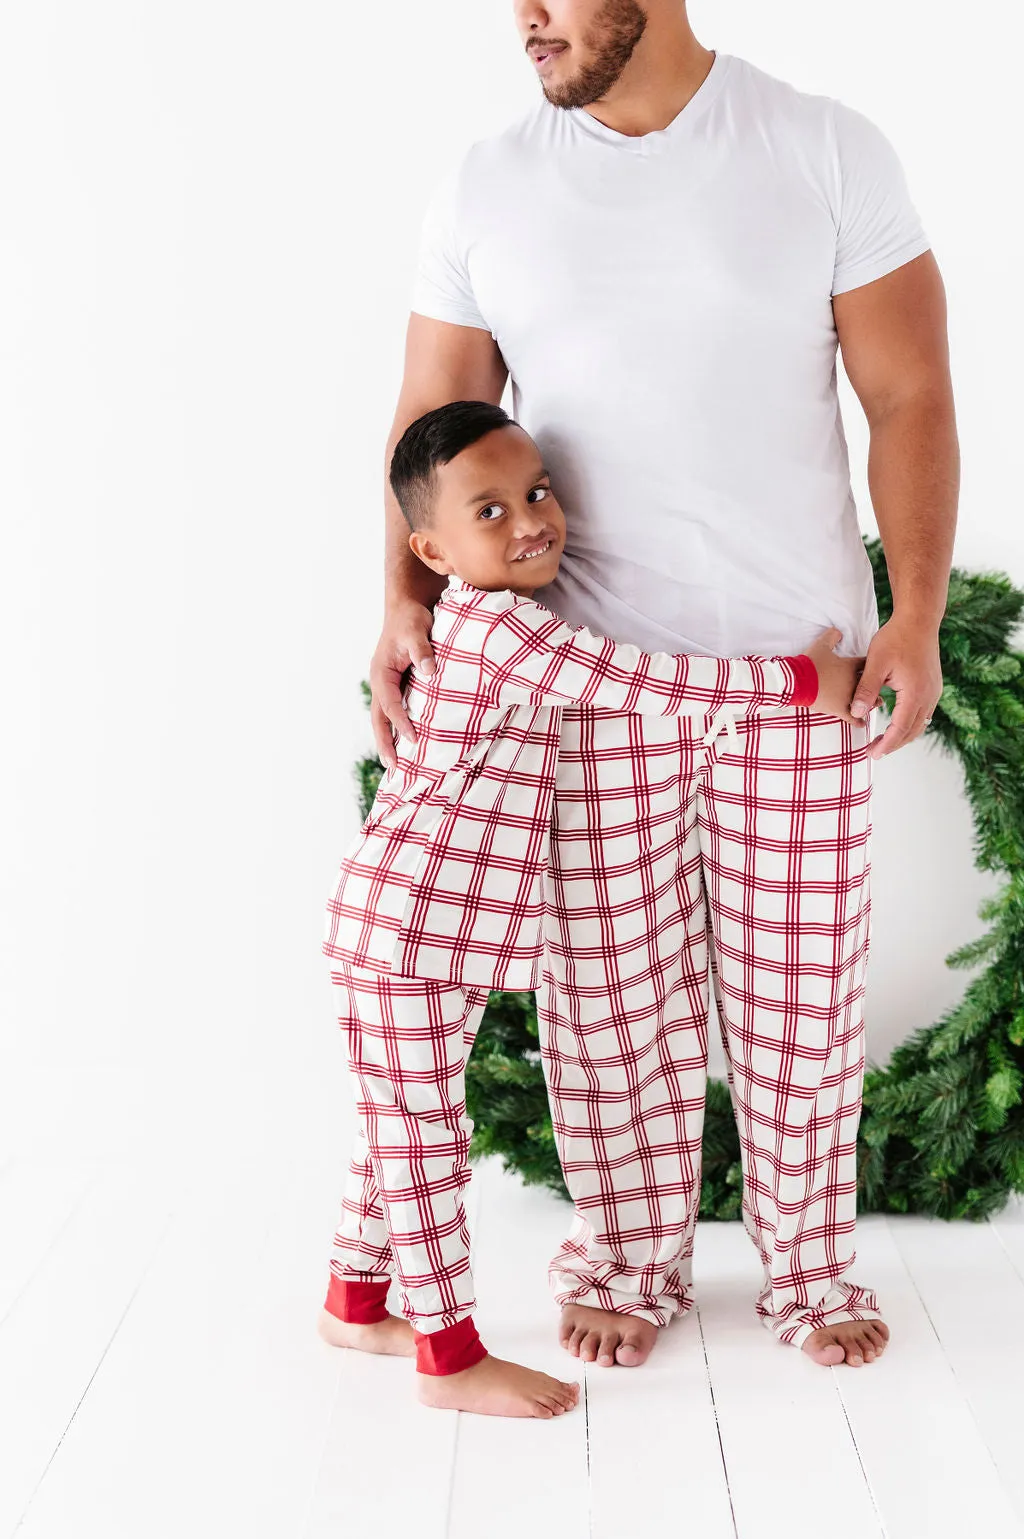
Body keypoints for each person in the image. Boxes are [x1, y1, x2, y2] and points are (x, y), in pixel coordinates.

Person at [368, 3, 958, 1371]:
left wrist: (916, 610)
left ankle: (812, 1269)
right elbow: (427, 417)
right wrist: (401, 601)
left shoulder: (822, 149)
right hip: (583, 688)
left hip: (797, 682)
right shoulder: (486, 185)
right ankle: (629, 1255)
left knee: (800, 1000)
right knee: (608, 1003)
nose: (525, 14)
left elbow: (912, 394)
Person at [318, 398, 861, 1418]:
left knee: (394, 1117)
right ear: (429, 550)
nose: (530, 520)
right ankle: (449, 1355)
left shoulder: (504, 621)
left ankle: (354, 1301)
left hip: (434, 931)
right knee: (420, 1134)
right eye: (490, 511)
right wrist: (803, 680)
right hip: (409, 927)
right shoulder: (496, 632)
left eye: (537, 491)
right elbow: (645, 679)